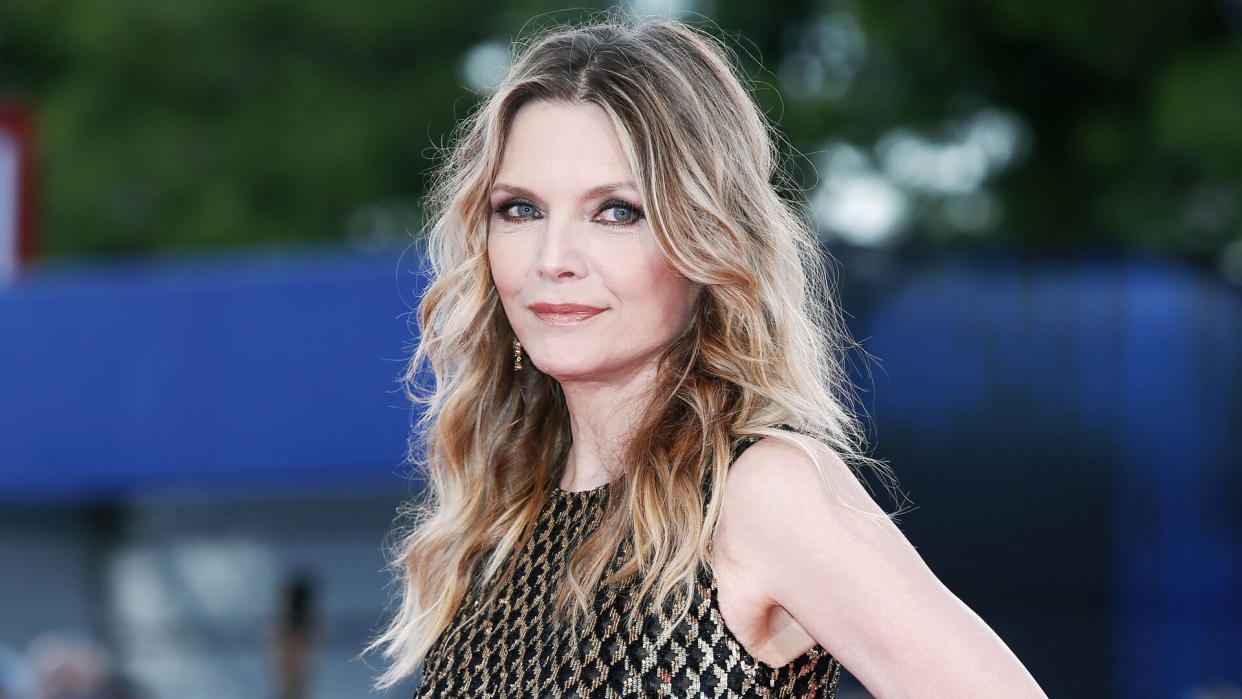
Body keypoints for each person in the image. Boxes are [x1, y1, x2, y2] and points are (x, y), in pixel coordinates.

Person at [370, 15, 1046, 698]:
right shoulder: (498, 521)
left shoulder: (760, 492)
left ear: (708, 237)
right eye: (520, 210)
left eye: (616, 211)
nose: (552, 260)